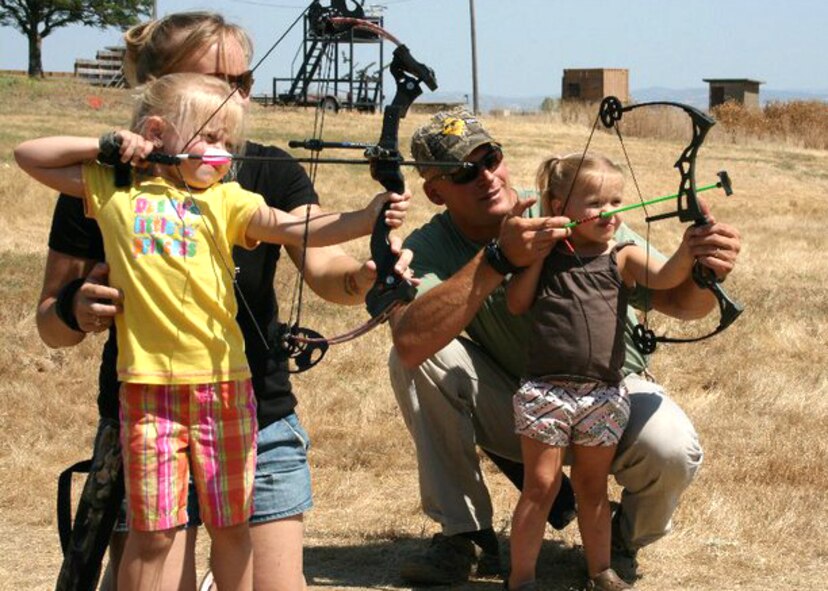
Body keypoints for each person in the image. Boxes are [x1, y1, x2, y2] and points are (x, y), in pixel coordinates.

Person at [36, 12, 413, 591]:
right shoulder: (115, 183)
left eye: (244, 83)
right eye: (216, 83)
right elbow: (50, 326)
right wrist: (74, 308)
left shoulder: (256, 174)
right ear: (161, 98)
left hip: (251, 409)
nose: (233, 98)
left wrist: (368, 269)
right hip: (146, 406)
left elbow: (312, 248)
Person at [387, 109, 742, 585]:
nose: (486, 177)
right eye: (464, 172)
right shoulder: (430, 244)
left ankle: (619, 544)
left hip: (610, 391)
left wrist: (704, 270)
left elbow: (680, 301)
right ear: (435, 192)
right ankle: (463, 535)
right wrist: (496, 260)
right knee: (420, 355)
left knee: (673, 449)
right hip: (525, 400)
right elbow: (409, 340)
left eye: (490, 158)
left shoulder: (574, 207)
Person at [505, 153, 698, 591]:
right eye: (594, 202)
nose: (609, 212)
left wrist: (690, 247)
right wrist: (536, 255)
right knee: (541, 486)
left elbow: (666, 277)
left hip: (604, 395)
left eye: (616, 200)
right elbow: (517, 304)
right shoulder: (547, 254)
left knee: (592, 488)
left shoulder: (622, 256)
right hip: (545, 391)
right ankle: (520, 579)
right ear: (558, 205)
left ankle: (600, 571)